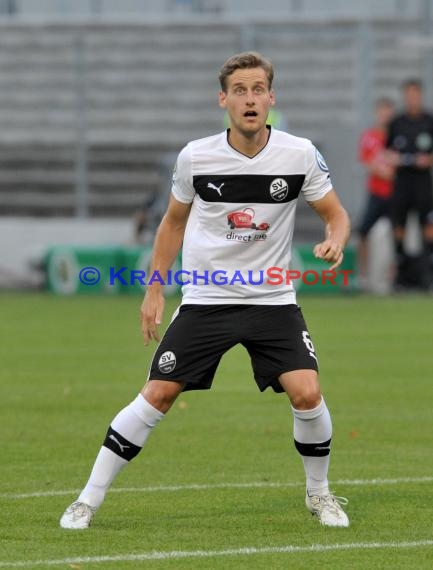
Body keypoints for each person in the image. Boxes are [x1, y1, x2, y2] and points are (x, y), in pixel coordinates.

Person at [60, 52, 351, 530]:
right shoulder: (196, 156)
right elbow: (172, 224)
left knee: (307, 391)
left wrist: (335, 239)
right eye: (240, 90)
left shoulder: (299, 154)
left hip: (272, 300)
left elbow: (335, 213)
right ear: (224, 100)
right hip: (206, 299)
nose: (250, 99)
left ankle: (319, 495)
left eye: (258, 89)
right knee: (157, 393)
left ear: (271, 98)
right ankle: (87, 500)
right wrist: (155, 288)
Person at [386, 79, 433, 289]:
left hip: (423, 182)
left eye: (416, 95)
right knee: (399, 225)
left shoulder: (429, 121)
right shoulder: (397, 123)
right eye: (409, 95)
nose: (412, 99)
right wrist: (393, 159)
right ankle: (401, 271)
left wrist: (428, 160)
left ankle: (427, 271)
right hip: (402, 181)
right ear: (405, 97)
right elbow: (387, 152)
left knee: (428, 225)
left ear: (420, 96)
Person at [357, 98, 395, 288]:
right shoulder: (370, 136)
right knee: (363, 231)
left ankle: (393, 276)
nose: (385, 115)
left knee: (397, 234)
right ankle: (363, 276)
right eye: (382, 111)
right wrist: (385, 170)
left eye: (388, 111)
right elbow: (367, 161)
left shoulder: (397, 136)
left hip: (395, 194)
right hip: (377, 192)